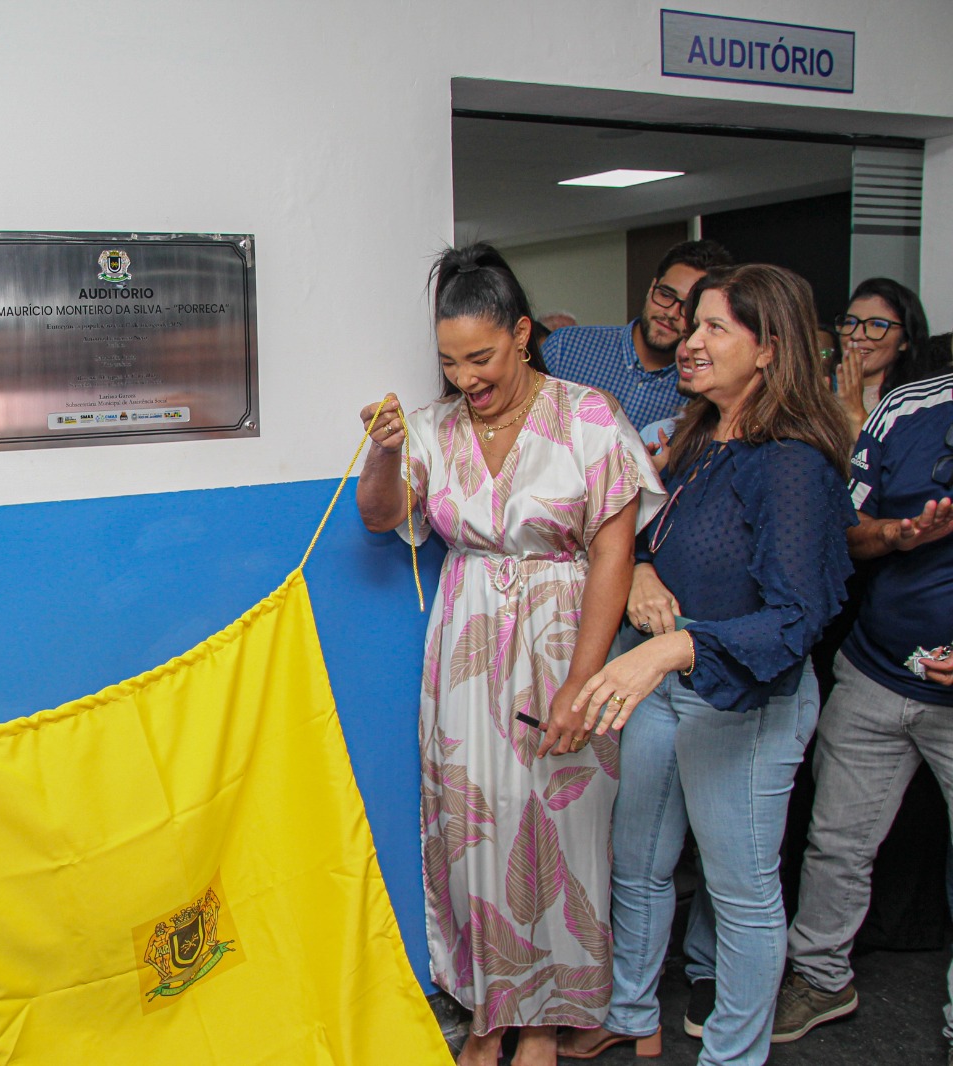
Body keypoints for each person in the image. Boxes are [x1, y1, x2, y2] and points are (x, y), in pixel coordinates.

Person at [356, 243, 663, 1066]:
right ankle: (490, 1010)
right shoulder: (433, 426)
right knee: (470, 823)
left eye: (482, 358)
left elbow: (612, 553)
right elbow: (381, 517)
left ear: (522, 334)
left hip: (565, 634)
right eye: (451, 362)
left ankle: (544, 1019)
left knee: (559, 826)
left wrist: (581, 680)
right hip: (465, 643)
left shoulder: (589, 415)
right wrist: (385, 450)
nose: (467, 379)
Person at [559, 264, 856, 1065]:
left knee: (741, 894)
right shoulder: (699, 434)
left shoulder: (791, 460)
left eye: (714, 328)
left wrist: (668, 647)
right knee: (640, 866)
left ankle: (734, 1054)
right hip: (665, 683)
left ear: (769, 349)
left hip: (743, 698)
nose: (690, 343)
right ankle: (629, 1014)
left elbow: (795, 620)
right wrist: (645, 573)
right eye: (690, 327)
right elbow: (657, 533)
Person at [772, 368, 953, 1056]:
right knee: (837, 843)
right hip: (878, 672)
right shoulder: (910, 409)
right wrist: (899, 537)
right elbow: (844, 531)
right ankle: (821, 978)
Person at [542, 240, 734, 434]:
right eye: (666, 295)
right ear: (652, 288)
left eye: (688, 306)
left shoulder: (698, 385)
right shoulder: (565, 346)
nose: (672, 313)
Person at [832, 277, 939, 440]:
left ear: (904, 340)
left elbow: (891, 463)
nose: (856, 335)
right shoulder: (823, 390)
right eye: (850, 322)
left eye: (876, 325)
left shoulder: (920, 407)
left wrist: (855, 413)